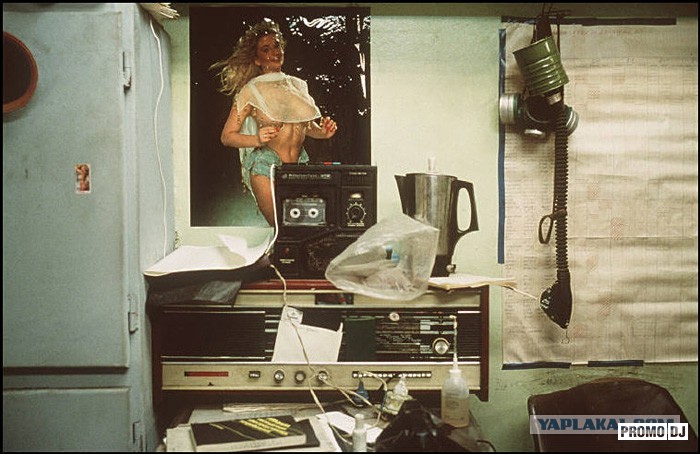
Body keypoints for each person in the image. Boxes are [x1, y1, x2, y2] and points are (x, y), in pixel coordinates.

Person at [211, 19, 338, 226]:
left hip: (299, 168)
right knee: (283, 230)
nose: (274, 52)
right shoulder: (251, 91)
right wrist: (257, 139)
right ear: (257, 59)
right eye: (266, 49)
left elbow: (305, 127)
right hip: (266, 167)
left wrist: (322, 132)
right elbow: (227, 136)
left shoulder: (298, 85)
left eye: (277, 45)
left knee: (305, 228)